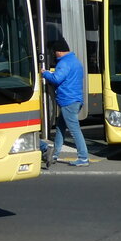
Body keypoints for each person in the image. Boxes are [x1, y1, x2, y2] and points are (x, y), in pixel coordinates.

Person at [41, 37, 89, 167]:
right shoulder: (76, 61)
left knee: (74, 130)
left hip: (68, 100)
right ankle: (54, 154)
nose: (54, 55)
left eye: (55, 52)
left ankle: (83, 157)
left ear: (60, 52)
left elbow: (56, 79)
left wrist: (45, 73)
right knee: (60, 127)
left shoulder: (64, 63)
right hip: (75, 99)